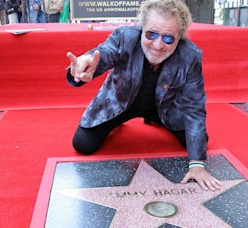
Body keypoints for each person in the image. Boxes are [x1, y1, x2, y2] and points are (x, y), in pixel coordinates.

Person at [66, 0, 222, 191]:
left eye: (168, 39)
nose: (157, 45)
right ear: (141, 29)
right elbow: (104, 54)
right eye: (151, 34)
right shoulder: (124, 37)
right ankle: (118, 122)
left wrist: (197, 164)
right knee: (83, 144)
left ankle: (155, 121)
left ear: (179, 38)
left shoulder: (190, 56)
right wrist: (87, 65)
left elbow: (194, 109)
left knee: (199, 143)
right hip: (121, 104)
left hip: (164, 109)